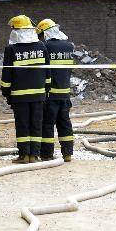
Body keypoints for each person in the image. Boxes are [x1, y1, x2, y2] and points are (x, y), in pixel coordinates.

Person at [1, 15, 47, 164]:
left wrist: (6, 93)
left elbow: (7, 74)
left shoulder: (11, 49)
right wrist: (46, 89)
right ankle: (35, 155)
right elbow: (48, 72)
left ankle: (24, 155)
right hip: (39, 95)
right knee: (36, 124)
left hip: (19, 96)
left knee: (23, 125)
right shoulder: (41, 46)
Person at [37, 19, 76, 162]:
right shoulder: (68, 46)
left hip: (50, 94)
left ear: (44, 33)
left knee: (47, 124)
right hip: (65, 93)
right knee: (64, 123)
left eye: (39, 35)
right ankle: (67, 153)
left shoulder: (44, 47)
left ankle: (46, 154)